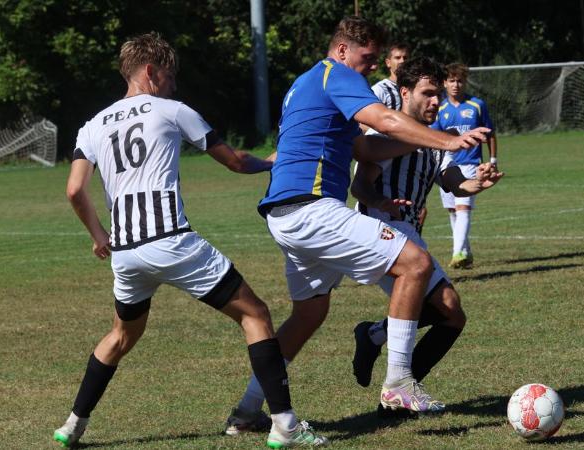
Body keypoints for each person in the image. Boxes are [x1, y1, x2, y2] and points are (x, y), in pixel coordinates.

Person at [53, 32, 326, 448]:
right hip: (171, 242)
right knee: (255, 315)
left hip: (125, 254)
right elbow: (234, 161)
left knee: (121, 336)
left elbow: (74, 190)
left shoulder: (92, 126)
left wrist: (98, 235)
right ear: (150, 72)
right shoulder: (172, 109)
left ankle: (72, 425)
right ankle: (285, 424)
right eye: (170, 75)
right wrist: (270, 162)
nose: (174, 84)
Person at [224, 16, 490, 433]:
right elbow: (382, 121)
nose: (370, 68)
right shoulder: (335, 74)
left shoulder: (304, 83)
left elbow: (362, 144)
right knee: (415, 264)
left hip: (284, 212)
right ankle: (399, 382)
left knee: (309, 314)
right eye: (367, 58)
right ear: (343, 49)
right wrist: (448, 139)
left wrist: (426, 139)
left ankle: (246, 410)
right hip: (310, 207)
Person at [350, 57, 503, 407]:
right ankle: (397, 386)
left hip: (407, 235)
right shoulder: (387, 134)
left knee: (451, 314)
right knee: (449, 305)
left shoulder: (438, 139)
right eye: (428, 93)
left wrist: (478, 182)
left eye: (438, 94)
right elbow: (359, 186)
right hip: (380, 232)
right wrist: (382, 202)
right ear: (405, 92)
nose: (436, 101)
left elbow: (453, 182)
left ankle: (379, 345)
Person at [432, 62, 498, 269]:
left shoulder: (477, 105)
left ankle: (457, 252)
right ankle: (466, 252)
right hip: (448, 164)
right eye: (451, 80)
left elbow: (490, 133)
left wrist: (493, 160)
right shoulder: (439, 107)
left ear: (465, 82)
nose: (456, 85)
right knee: (453, 210)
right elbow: (434, 136)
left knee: (462, 207)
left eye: (460, 80)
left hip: (470, 164)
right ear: (444, 83)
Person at [371, 43, 410, 111]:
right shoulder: (380, 89)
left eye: (405, 58)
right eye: (397, 58)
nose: (402, 61)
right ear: (388, 63)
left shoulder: (413, 88)